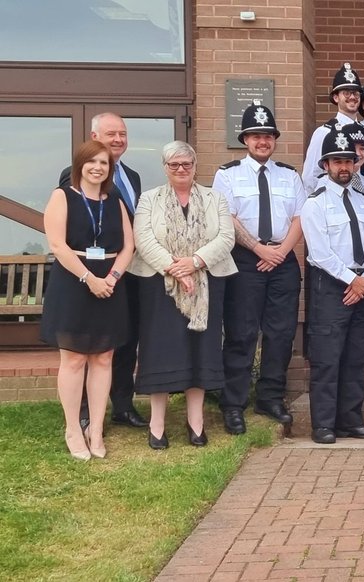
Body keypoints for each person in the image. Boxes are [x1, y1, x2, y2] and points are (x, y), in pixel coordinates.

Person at [130, 141, 235, 449]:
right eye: (174, 165)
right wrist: (176, 269)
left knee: (199, 350)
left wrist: (195, 263)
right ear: (165, 168)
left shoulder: (215, 198)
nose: (180, 169)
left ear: (195, 166)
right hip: (159, 285)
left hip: (208, 282)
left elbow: (226, 237)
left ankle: (196, 422)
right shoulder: (149, 199)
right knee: (161, 351)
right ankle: (157, 424)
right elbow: (143, 239)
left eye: (186, 164)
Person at [213, 102, 303, 435]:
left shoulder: (290, 175)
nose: (262, 141)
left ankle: (270, 397)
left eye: (267, 136)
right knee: (241, 333)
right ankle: (233, 403)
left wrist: (280, 251)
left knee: (280, 333)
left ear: (274, 139)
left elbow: (299, 217)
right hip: (245, 259)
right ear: (245, 140)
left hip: (283, 258)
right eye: (255, 136)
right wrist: (259, 248)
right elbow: (227, 217)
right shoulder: (227, 174)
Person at [42, 140, 134, 459]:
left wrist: (111, 278)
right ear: (80, 164)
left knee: (104, 358)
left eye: (104, 163)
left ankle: (96, 430)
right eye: (92, 161)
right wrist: (89, 278)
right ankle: (72, 428)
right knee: (75, 359)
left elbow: (128, 247)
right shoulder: (62, 196)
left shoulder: (115, 200)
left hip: (109, 285)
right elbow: (57, 245)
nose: (98, 167)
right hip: (73, 284)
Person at [57, 113, 146, 431]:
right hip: (88, 275)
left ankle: (122, 405)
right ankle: (81, 411)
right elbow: (78, 224)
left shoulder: (132, 176)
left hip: (125, 273)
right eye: (111, 134)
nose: (118, 139)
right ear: (95, 137)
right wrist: (92, 275)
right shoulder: (74, 174)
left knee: (124, 340)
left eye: (123, 133)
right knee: (85, 344)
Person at [300, 128, 364, 444]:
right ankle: (323, 424)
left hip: (362, 284)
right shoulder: (315, 203)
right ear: (325, 165)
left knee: (356, 354)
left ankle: (350, 420)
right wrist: (354, 281)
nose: (344, 167)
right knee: (328, 356)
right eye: (337, 161)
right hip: (331, 285)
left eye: (349, 160)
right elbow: (319, 254)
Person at [303, 62, 361, 191]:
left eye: (356, 93)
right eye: (346, 93)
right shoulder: (324, 132)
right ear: (335, 97)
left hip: (362, 202)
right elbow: (310, 177)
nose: (352, 97)